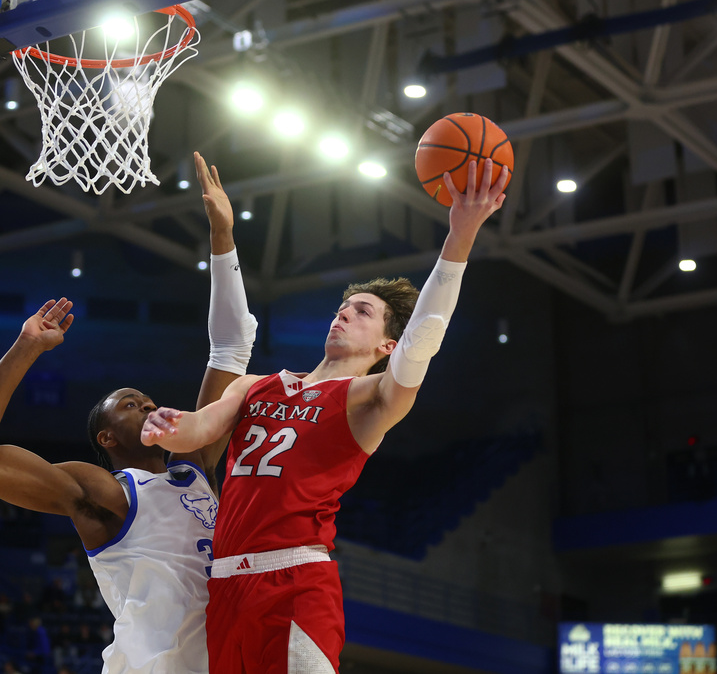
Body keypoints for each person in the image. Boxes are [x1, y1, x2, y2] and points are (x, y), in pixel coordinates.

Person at [141, 159, 511, 673]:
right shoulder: (257, 385)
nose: (344, 313)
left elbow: (424, 333)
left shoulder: (372, 398)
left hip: (295, 581)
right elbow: (197, 432)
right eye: (343, 306)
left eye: (362, 311)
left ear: (387, 344)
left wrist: (461, 234)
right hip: (224, 584)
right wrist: (167, 425)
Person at [0, 151, 257, 674]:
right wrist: (25, 349)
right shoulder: (106, 492)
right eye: (131, 406)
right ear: (108, 439)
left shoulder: (195, 463)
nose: (150, 406)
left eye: (150, 400)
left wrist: (222, 237)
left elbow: (231, 347)